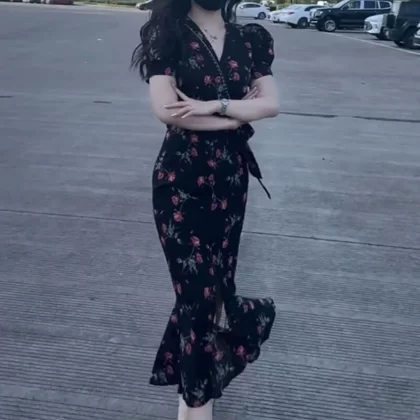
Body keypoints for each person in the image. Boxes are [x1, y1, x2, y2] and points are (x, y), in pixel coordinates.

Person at [131, 0, 279, 418]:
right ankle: (197, 405)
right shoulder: (167, 35)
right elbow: (167, 111)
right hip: (180, 181)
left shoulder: (251, 39)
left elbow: (271, 104)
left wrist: (214, 106)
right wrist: (236, 118)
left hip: (230, 181)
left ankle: (191, 399)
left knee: (213, 295)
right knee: (196, 295)